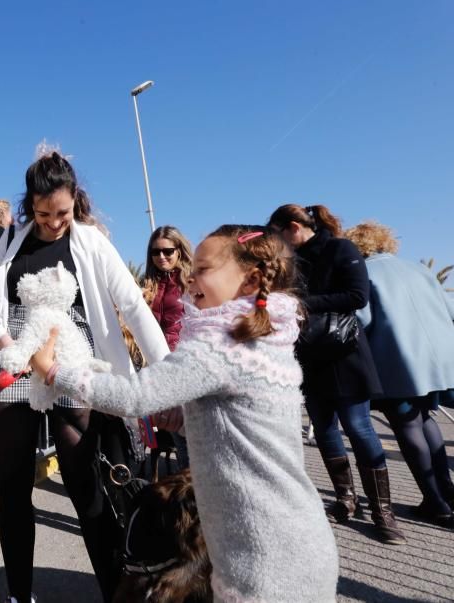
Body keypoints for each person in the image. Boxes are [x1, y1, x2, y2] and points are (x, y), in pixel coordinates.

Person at [32, 225, 339, 602]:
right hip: (293, 538)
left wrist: (54, 371)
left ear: (251, 280)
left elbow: (133, 395)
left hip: (263, 556)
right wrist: (183, 413)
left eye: (205, 269)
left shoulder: (219, 345)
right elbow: (233, 412)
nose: (190, 276)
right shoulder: (264, 339)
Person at [0, 149, 169, 603]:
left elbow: (132, 304)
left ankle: (116, 592)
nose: (54, 223)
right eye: (42, 214)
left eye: (61, 212)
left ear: (75, 199)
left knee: (84, 481)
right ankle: (19, 594)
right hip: (17, 358)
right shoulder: (11, 240)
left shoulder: (90, 241)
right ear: (28, 206)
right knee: (14, 487)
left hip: (72, 362)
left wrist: (168, 371)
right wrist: (3, 344)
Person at [268, 204, 405, 544]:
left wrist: (302, 304)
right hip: (308, 354)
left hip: (344, 353)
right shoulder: (289, 262)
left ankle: (382, 510)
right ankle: (346, 498)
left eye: (278, 234)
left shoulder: (340, 248)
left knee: (358, 427)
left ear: (294, 227)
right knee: (325, 429)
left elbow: (358, 296)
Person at [345, 221, 454, 526]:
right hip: (438, 358)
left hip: (399, 358)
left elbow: (360, 320)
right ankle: (446, 489)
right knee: (426, 418)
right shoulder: (419, 269)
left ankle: (435, 501)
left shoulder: (364, 274)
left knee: (406, 424)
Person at [142, 225, 194, 471]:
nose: (161, 257)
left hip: (186, 366)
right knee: (177, 435)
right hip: (159, 367)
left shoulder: (191, 282)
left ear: (180, 251)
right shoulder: (149, 284)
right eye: (155, 252)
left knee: (191, 438)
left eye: (167, 251)